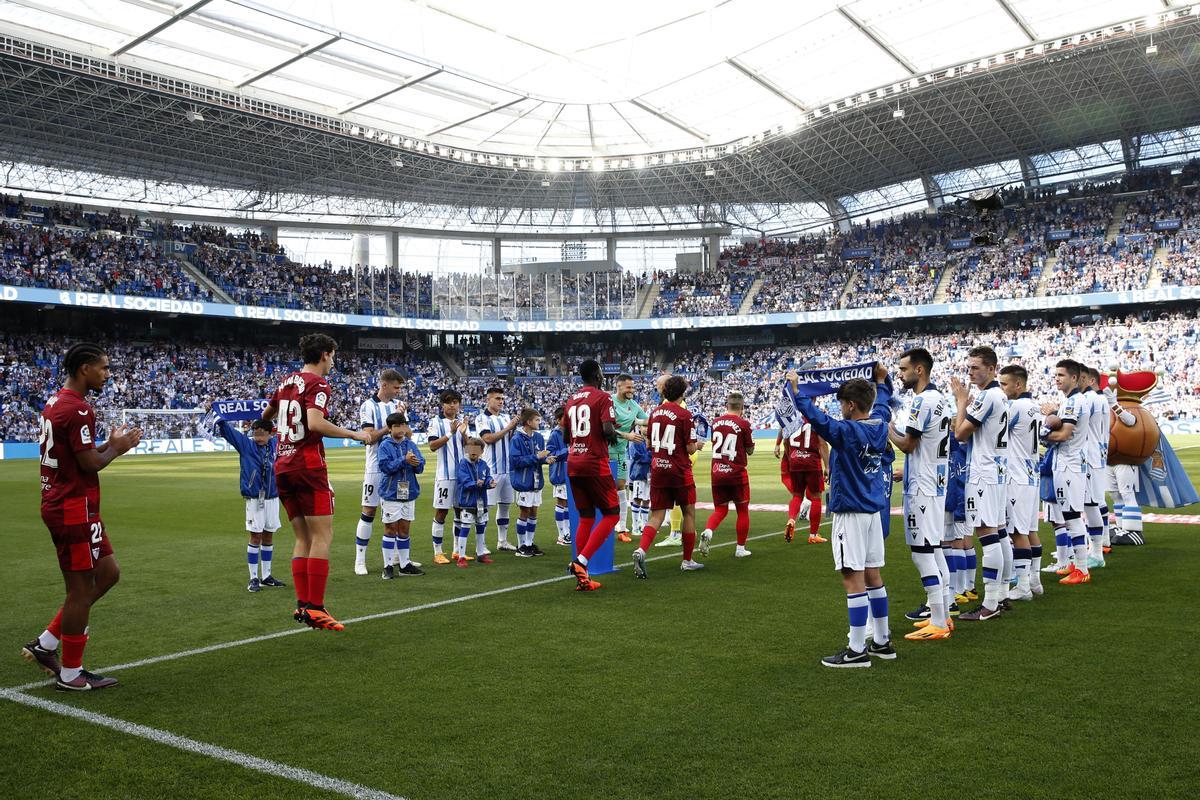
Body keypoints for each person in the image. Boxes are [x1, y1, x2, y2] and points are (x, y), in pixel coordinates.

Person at [22, 342, 143, 691]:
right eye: (103, 368)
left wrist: (111, 445)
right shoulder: (77, 410)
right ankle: (71, 674)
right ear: (84, 369)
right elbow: (90, 464)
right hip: (71, 507)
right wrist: (116, 449)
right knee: (79, 590)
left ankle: (46, 643)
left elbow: (82, 457)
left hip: (77, 504)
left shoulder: (56, 402)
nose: (107, 374)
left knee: (108, 573)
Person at [787, 364, 895, 668]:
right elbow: (884, 404)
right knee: (874, 576)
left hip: (851, 512)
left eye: (841, 404)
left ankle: (857, 649)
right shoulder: (879, 423)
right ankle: (883, 642)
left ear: (850, 405)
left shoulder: (848, 430)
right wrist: (882, 382)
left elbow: (820, 422)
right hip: (873, 511)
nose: (839, 409)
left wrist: (797, 391)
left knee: (853, 577)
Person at [262, 333, 370, 632]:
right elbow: (315, 423)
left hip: (282, 465)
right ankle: (317, 607)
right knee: (322, 537)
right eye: (333, 355)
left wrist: (278, 430)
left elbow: (266, 415)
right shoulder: (318, 384)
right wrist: (354, 434)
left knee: (302, 538)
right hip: (308, 466)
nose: (333, 361)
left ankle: (302, 605)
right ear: (324, 354)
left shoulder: (286, 382)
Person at [887, 347, 954, 641]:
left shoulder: (922, 401)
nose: (899, 374)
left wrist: (886, 428)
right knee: (935, 550)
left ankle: (938, 621)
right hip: (934, 482)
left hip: (924, 488)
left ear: (919, 370)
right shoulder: (939, 399)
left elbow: (908, 445)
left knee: (922, 554)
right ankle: (944, 616)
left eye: (903, 370)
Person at [951, 345, 1011, 622]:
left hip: (984, 473)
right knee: (998, 533)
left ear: (992, 369)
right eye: (969, 366)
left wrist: (961, 401)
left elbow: (960, 434)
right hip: (997, 471)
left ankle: (990, 603)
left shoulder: (987, 396)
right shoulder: (1000, 395)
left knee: (987, 535)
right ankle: (1000, 596)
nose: (970, 372)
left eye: (975, 367)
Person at [631, 375, 705, 577]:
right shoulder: (684, 414)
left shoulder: (654, 413)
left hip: (658, 469)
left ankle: (641, 550)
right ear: (682, 393)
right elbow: (690, 449)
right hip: (679, 470)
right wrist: (697, 444)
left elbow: (648, 444)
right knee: (688, 512)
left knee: (656, 515)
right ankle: (687, 560)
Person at [564, 360, 623, 591]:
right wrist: (615, 438)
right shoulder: (603, 397)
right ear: (598, 375)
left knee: (587, 517)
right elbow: (608, 429)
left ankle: (583, 578)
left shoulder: (571, 400)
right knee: (612, 515)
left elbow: (566, 436)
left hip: (574, 464)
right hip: (595, 464)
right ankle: (581, 561)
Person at [216, 416, 286, 593]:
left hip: (272, 497)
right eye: (255, 434)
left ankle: (267, 576)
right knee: (255, 536)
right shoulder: (246, 445)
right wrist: (220, 419)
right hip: (255, 499)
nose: (257, 437)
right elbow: (229, 433)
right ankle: (253, 577)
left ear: (270, 434)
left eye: (261, 434)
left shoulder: (275, 444)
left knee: (269, 535)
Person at [1040, 359, 1092, 585]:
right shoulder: (1071, 402)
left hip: (1070, 465)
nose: (1057, 379)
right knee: (1068, 515)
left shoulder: (1073, 402)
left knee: (1071, 515)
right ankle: (1075, 563)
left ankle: (1082, 568)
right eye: (1056, 375)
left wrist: (1040, 436)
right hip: (1067, 464)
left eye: (1061, 375)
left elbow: (1063, 435)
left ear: (1074, 378)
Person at [1000, 364, 1044, 600]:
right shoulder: (1034, 406)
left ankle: (1024, 586)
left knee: (1018, 533)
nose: (1002, 389)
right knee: (1030, 530)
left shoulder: (1015, 407)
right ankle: (1035, 580)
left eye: (1004, 384)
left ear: (1018, 384)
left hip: (1016, 476)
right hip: (1031, 474)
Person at [354, 369, 405, 575]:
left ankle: (396, 558)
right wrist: (390, 426)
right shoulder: (368, 406)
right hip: (375, 468)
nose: (398, 391)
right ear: (384, 385)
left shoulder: (397, 406)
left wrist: (401, 420)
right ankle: (360, 560)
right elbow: (368, 437)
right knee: (369, 511)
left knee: (398, 512)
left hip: (399, 468)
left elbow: (406, 434)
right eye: (396, 387)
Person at [700, 392, 755, 558]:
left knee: (720, 509)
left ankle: (708, 531)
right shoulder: (744, 423)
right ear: (742, 408)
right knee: (742, 510)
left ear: (726, 406)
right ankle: (740, 548)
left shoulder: (715, 422)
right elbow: (749, 450)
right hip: (736, 473)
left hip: (717, 472)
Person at [377, 412, 426, 579]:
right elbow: (385, 467)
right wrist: (404, 461)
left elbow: (421, 466)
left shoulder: (411, 444)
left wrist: (416, 463)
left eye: (403, 425)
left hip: (409, 492)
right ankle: (388, 566)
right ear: (390, 429)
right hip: (391, 493)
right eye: (397, 426)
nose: (401, 428)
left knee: (405, 529)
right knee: (390, 530)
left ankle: (404, 565)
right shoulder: (385, 445)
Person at [775, 398, 829, 545]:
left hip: (795, 460)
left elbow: (786, 440)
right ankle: (813, 534)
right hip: (811, 461)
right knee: (816, 497)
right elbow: (823, 443)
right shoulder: (816, 414)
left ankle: (792, 519)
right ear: (814, 398)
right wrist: (828, 466)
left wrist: (790, 456)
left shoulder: (790, 416)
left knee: (797, 495)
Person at [428, 389, 469, 565]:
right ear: (443, 404)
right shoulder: (435, 422)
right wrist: (451, 433)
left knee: (460, 512)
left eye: (455, 402)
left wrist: (465, 434)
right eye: (449, 402)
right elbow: (432, 445)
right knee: (442, 512)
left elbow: (469, 449)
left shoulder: (462, 424)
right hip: (445, 476)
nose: (452, 405)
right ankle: (438, 552)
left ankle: (457, 551)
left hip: (461, 476)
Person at [475, 386, 518, 551]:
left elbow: (509, 439)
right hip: (491, 471)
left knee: (505, 506)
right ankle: (482, 544)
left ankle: (502, 541)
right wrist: (509, 427)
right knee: (486, 508)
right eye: (497, 399)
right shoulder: (482, 418)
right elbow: (488, 438)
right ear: (488, 400)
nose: (501, 401)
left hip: (507, 470)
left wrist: (512, 428)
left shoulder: (506, 417)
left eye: (502, 398)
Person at [611, 373, 649, 541]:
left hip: (620, 453)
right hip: (604, 452)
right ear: (619, 386)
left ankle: (622, 529)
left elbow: (647, 420)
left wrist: (641, 424)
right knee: (606, 490)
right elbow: (603, 428)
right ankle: (603, 524)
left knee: (621, 488)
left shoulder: (633, 405)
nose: (631, 390)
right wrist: (626, 435)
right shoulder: (609, 402)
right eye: (628, 387)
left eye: (632, 387)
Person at [510, 407, 552, 557]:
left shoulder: (539, 437)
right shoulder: (516, 439)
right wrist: (537, 457)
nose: (539, 422)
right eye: (537, 420)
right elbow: (515, 461)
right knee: (525, 511)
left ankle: (529, 543)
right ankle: (521, 545)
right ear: (528, 422)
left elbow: (539, 458)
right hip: (523, 481)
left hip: (536, 481)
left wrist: (546, 460)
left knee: (534, 511)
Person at [1081, 366, 1111, 567]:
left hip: (1090, 456)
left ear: (1090, 380)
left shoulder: (1090, 399)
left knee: (1091, 504)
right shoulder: (1101, 400)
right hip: (1099, 453)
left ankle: (1095, 551)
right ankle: (1098, 546)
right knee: (1096, 502)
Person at [454, 437, 496, 567]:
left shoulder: (483, 465)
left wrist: (490, 482)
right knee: (465, 528)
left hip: (481, 502)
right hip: (467, 502)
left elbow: (487, 477)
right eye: (471, 448)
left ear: (482, 451)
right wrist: (475, 483)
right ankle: (461, 557)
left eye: (477, 449)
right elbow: (464, 481)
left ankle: (481, 554)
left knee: (481, 527)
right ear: (467, 449)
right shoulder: (463, 464)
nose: (473, 452)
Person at [545, 406, 572, 546]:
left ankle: (568, 533)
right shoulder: (555, 434)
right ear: (558, 419)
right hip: (560, 473)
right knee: (561, 502)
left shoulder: (570, 432)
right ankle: (561, 535)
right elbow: (550, 454)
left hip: (570, 472)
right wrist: (566, 451)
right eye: (565, 417)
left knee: (567, 503)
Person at [627, 424, 652, 540]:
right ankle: (635, 527)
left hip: (649, 475)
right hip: (638, 474)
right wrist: (651, 456)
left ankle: (645, 526)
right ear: (639, 427)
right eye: (644, 426)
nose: (646, 428)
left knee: (646, 500)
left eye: (648, 426)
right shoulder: (636, 440)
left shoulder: (652, 440)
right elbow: (638, 457)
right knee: (637, 499)